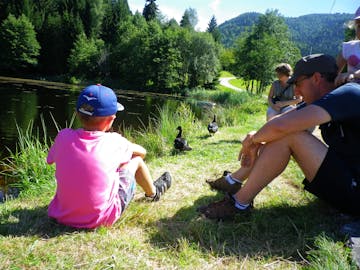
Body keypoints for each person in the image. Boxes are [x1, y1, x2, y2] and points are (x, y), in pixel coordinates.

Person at [199, 54, 360, 220]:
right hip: (347, 179)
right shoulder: (323, 98)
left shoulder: (348, 93)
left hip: (355, 192)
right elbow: (280, 120)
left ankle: (238, 203)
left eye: (298, 83)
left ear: (317, 78)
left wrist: (252, 142)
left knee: (289, 134)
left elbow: (281, 127)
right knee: (280, 133)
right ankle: (236, 185)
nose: (296, 91)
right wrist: (255, 136)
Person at [47, 84, 172, 229]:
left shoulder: (63, 136)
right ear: (111, 119)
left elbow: (52, 160)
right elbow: (142, 152)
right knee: (136, 161)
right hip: (101, 219)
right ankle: (153, 193)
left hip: (61, 216)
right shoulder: (114, 141)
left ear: (77, 113)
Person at [335, 6, 360, 86]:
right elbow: (334, 71)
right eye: (359, 26)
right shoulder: (349, 48)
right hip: (351, 91)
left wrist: (353, 74)